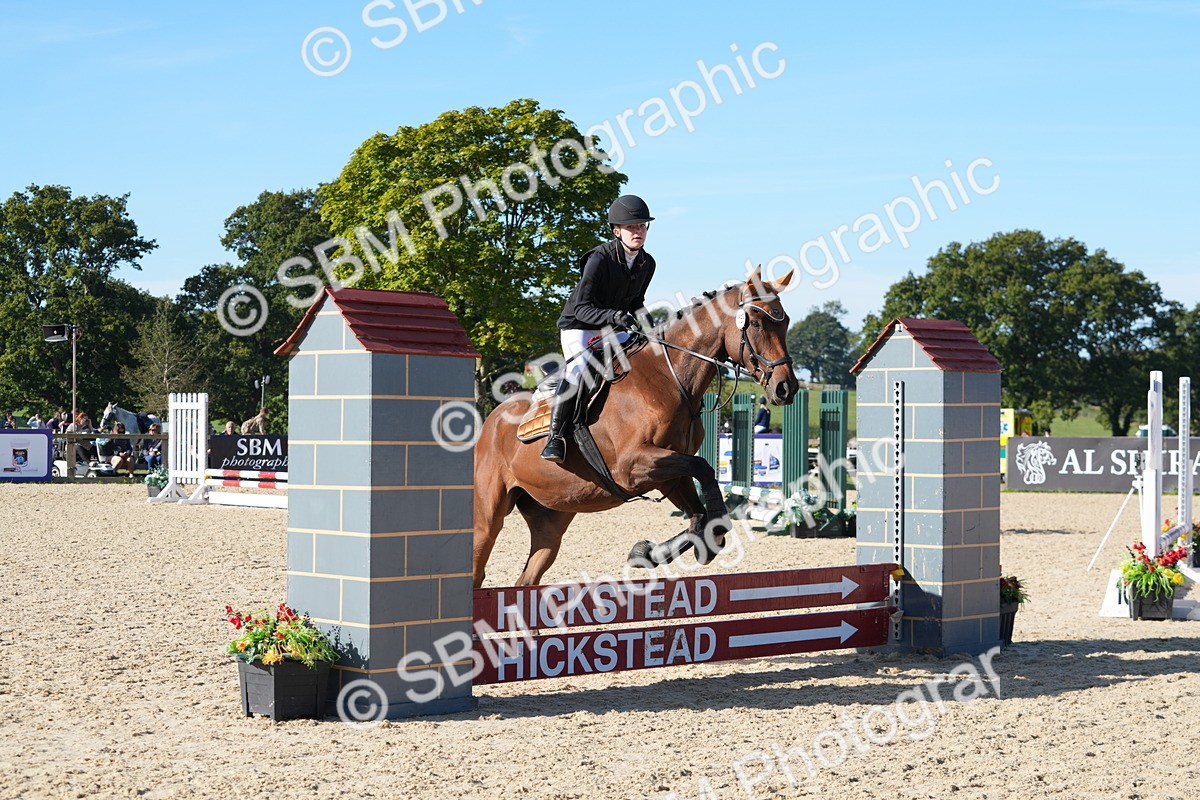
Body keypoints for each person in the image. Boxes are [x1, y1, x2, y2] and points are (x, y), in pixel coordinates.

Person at [541, 195, 657, 463]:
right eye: (631, 227)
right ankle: (555, 437)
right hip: (579, 327)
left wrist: (653, 330)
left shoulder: (647, 263)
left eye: (642, 226)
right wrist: (615, 316)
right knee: (578, 370)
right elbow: (582, 308)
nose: (638, 232)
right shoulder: (599, 259)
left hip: (612, 327)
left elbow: (636, 303)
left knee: (642, 360)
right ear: (616, 231)